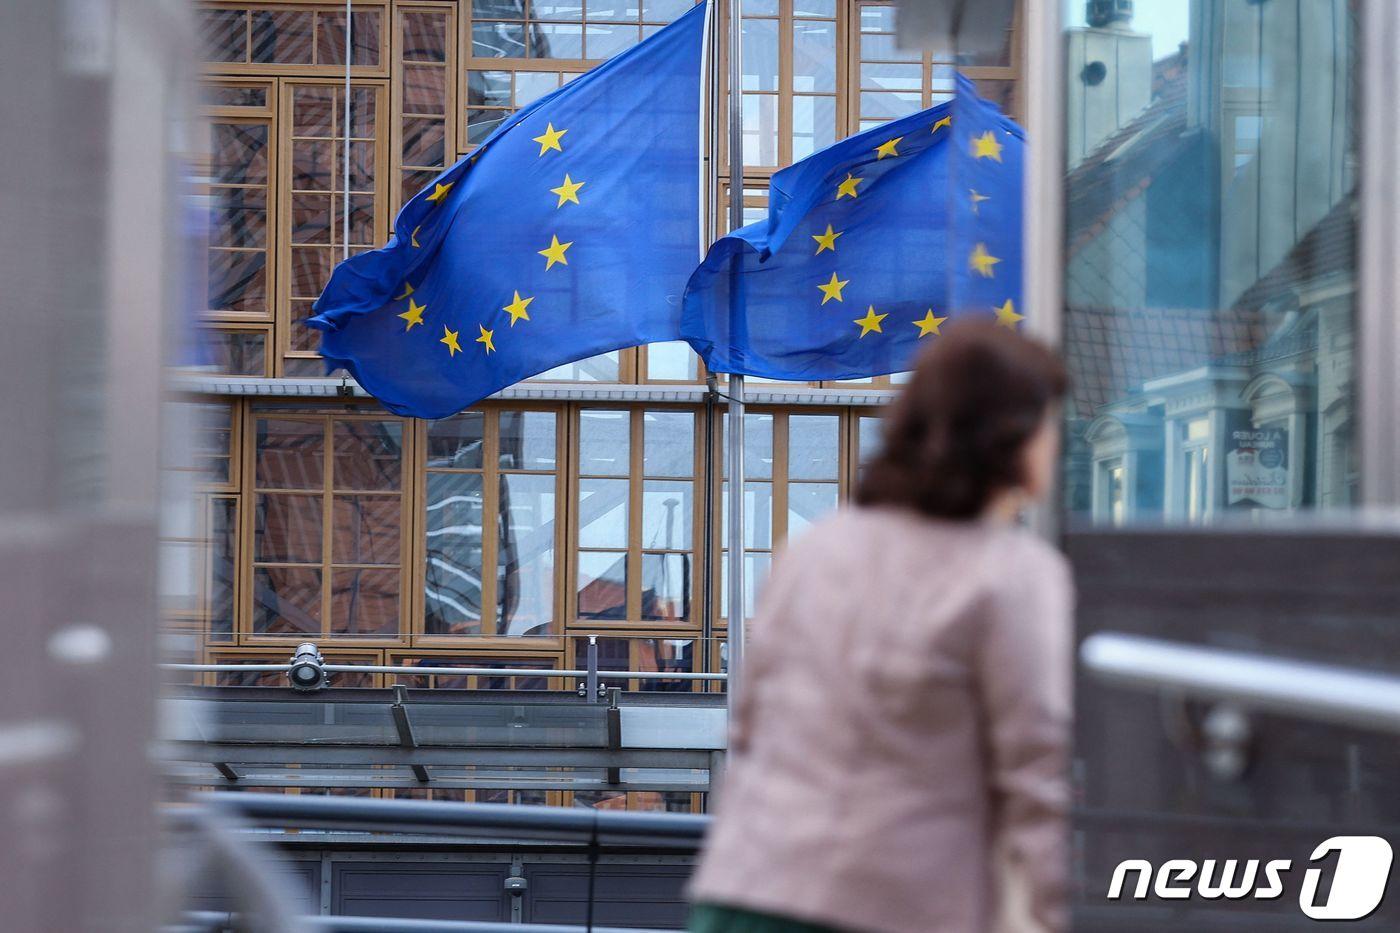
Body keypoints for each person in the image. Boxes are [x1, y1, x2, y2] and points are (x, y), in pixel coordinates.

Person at [689, 322, 1073, 933]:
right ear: (1013, 437)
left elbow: (750, 723)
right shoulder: (1013, 576)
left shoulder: (816, 549)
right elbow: (1042, 774)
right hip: (890, 904)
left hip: (746, 889)